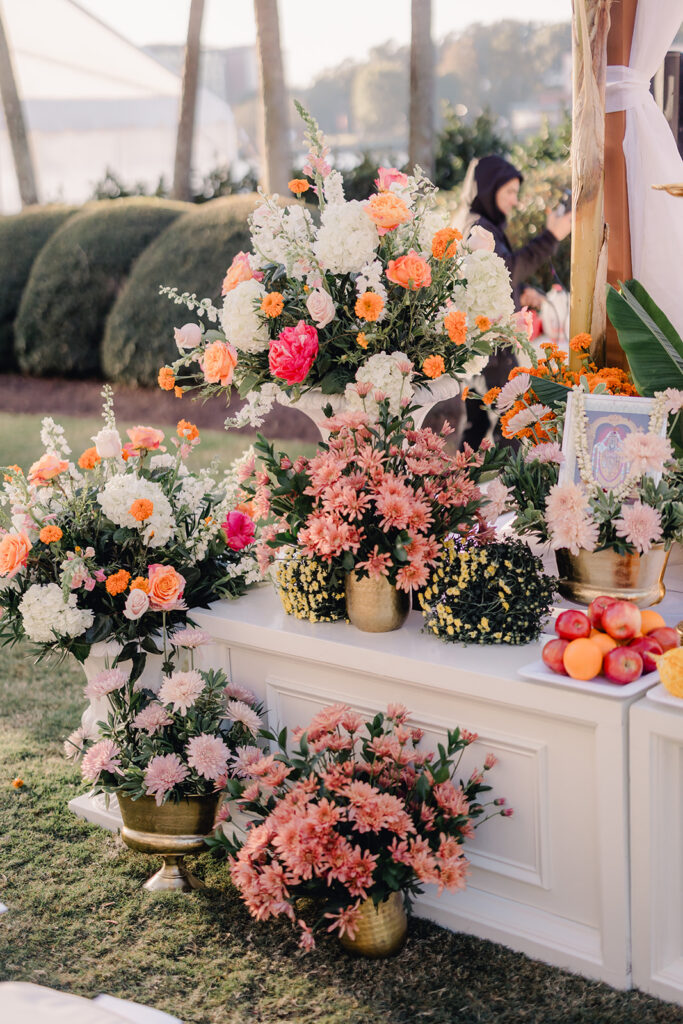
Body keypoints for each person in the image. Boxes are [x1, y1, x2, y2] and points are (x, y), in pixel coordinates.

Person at [460, 154, 571, 448]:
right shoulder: (479, 228)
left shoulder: (483, 224)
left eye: (516, 193)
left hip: (484, 342)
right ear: (488, 188)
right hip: (491, 345)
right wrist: (551, 236)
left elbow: (492, 278)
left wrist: (518, 292)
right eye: (508, 191)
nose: (515, 201)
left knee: (478, 421)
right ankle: (508, 488)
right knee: (514, 418)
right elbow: (509, 268)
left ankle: (456, 485)